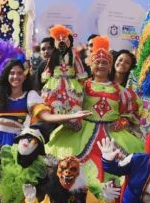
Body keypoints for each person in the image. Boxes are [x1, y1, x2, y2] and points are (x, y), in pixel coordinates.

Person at [0, 59, 89, 202]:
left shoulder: (30, 94)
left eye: (19, 73)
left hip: (16, 144)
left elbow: (46, 116)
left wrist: (70, 116)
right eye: (12, 73)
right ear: (6, 75)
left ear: (25, 75)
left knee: (10, 185)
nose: (16, 77)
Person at [46, 36, 144, 181]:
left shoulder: (121, 91)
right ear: (91, 65)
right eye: (97, 62)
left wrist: (122, 122)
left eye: (105, 63)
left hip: (113, 133)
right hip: (82, 132)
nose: (101, 66)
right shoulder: (81, 86)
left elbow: (131, 113)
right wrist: (74, 120)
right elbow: (69, 105)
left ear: (110, 67)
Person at [24, 156, 120, 203]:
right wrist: (31, 201)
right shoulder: (52, 195)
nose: (67, 172)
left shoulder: (83, 192)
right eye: (63, 168)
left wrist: (107, 199)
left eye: (73, 169)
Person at [41, 25, 88, 116]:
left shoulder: (74, 56)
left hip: (71, 84)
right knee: (52, 103)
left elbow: (80, 70)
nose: (62, 43)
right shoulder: (53, 56)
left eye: (64, 40)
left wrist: (81, 80)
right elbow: (49, 69)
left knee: (72, 103)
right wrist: (46, 76)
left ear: (69, 42)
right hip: (54, 83)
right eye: (59, 41)